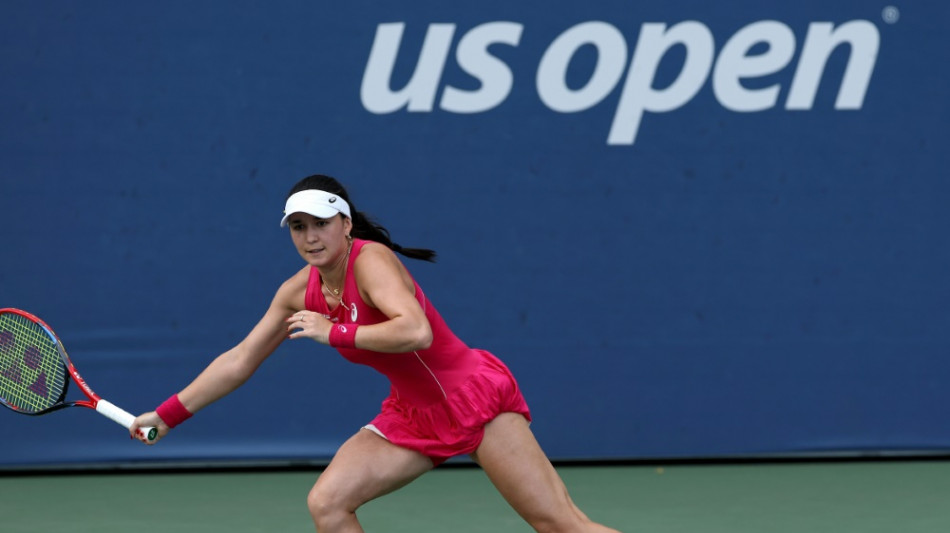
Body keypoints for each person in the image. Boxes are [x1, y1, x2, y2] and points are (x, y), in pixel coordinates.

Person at [131, 174, 621, 533]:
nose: (310, 237)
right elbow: (240, 359)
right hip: (412, 416)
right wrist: (168, 415)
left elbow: (415, 332)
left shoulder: (372, 261)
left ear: (345, 224)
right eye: (298, 227)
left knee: (558, 524)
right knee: (328, 503)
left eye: (320, 224)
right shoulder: (296, 291)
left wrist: (334, 332)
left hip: (473, 397)